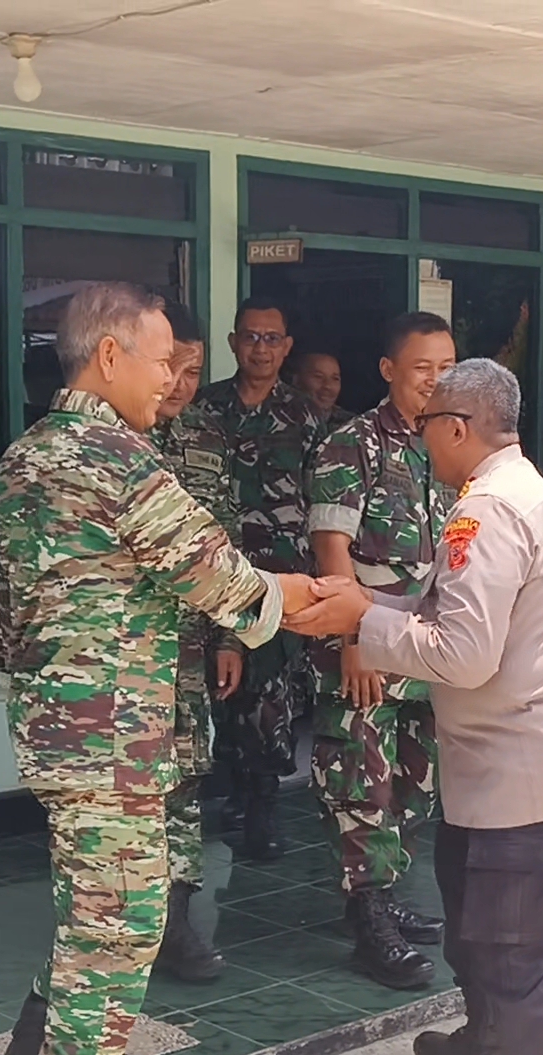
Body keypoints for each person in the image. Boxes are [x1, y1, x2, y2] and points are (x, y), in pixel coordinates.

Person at [0, 282, 355, 1055]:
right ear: (108, 355)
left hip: (59, 728)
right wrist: (315, 598)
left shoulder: (26, 455)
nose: (170, 379)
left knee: (91, 911)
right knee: (119, 926)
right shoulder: (117, 459)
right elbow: (218, 577)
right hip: (111, 734)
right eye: (160, 362)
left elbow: (12, 615)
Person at [298, 358, 543, 1055]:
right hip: (524, 754)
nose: (419, 438)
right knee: (477, 916)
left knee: (512, 949)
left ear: (456, 428)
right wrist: (363, 605)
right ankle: (489, 1045)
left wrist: (363, 621)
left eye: (427, 425)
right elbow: (446, 611)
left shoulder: (486, 511)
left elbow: (463, 654)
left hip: (533, 761)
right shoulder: (515, 490)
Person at [307, 312, 457, 990]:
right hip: (367, 648)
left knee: (414, 782)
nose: (435, 380)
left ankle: (386, 896)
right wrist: (353, 641)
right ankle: (368, 918)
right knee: (359, 780)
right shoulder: (354, 444)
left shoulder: (451, 445)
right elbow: (330, 547)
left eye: (447, 368)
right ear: (390, 370)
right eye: (423, 367)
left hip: (426, 652)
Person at [196, 297, 328, 859]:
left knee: (271, 696)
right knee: (221, 691)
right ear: (233, 342)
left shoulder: (306, 416)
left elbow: (322, 501)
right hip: (214, 576)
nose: (261, 348)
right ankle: (232, 787)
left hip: (281, 582)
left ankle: (262, 806)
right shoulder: (203, 409)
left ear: (286, 346)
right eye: (251, 337)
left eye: (272, 338)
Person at [144, 303, 242, 985]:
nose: (180, 383)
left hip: (186, 650)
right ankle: (131, 924)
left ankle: (177, 922)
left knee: (184, 780)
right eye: (170, 366)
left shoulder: (207, 433)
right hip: (124, 654)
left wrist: (229, 636)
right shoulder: (114, 440)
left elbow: (225, 542)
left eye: (194, 370)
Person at [293, 351, 352, 426]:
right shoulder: (282, 418)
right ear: (297, 380)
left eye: (335, 379)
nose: (328, 386)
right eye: (318, 377)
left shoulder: (350, 423)